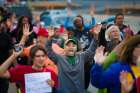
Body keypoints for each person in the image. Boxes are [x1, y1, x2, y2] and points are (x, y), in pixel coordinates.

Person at [46, 24, 101, 93]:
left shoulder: (81, 57)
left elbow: (91, 49)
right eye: (68, 45)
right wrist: (50, 37)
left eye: (73, 45)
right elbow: (48, 50)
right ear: (64, 48)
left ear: (76, 48)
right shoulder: (59, 58)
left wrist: (96, 36)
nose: (71, 47)